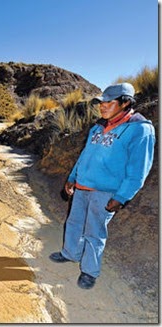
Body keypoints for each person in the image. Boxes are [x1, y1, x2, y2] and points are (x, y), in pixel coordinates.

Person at [49, 82, 155, 289]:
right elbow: (84, 155)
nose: (103, 106)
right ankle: (70, 253)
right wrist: (72, 177)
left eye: (109, 102)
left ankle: (90, 271)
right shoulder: (98, 126)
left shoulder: (140, 129)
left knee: (94, 232)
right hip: (82, 186)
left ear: (125, 103)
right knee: (73, 223)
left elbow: (139, 170)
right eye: (101, 102)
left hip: (106, 192)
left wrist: (122, 197)